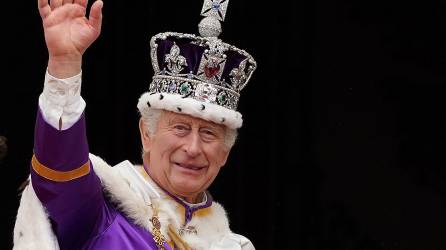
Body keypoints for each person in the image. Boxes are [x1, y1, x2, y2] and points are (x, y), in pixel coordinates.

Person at [13, 0, 257, 249]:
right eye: (180, 128)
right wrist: (64, 64)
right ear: (146, 134)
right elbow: (59, 169)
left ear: (225, 153)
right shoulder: (100, 209)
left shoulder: (232, 245)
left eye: (208, 133)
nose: (193, 148)